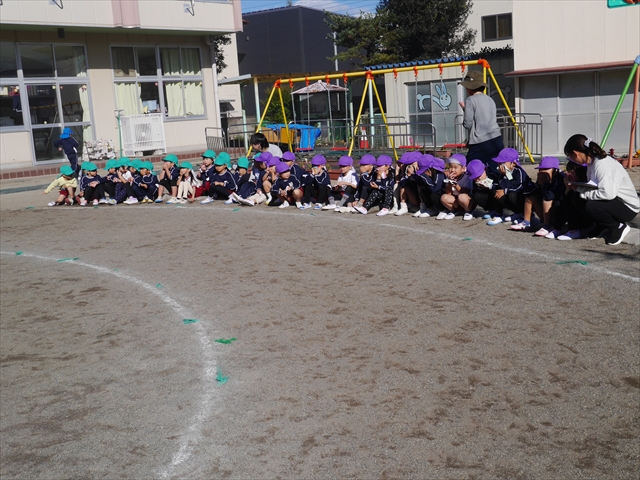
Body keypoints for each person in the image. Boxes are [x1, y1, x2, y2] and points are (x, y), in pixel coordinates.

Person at [562, 134, 639, 245]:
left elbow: (607, 194)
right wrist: (577, 187)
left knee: (591, 205)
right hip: (615, 201)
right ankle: (601, 226)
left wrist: (582, 192)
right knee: (577, 198)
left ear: (575, 153)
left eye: (570, 157)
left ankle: (617, 227)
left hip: (627, 206)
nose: (572, 160)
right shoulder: (592, 164)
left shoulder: (602, 164)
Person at [459, 71, 504, 173]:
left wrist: (465, 109)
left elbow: (468, 124)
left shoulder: (470, 100)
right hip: (496, 138)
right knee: (494, 170)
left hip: (480, 141)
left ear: (469, 88)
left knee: (470, 169)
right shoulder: (490, 99)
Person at [510, 156, 565, 234]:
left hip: (559, 213)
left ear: (555, 170)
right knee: (530, 197)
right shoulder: (542, 178)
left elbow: (551, 196)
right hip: (547, 213)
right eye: (540, 169)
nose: (542, 171)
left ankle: (547, 226)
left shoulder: (561, 179)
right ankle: (526, 222)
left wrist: (547, 185)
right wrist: (538, 185)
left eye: (546, 169)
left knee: (547, 198)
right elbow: (528, 192)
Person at [487, 148, 534, 225]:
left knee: (512, 195)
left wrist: (505, 190)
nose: (500, 165)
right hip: (511, 194)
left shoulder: (519, 171)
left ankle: (527, 215)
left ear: (513, 164)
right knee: (497, 192)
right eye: (499, 163)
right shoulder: (502, 174)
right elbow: (503, 186)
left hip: (522, 197)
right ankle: (500, 214)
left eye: (503, 163)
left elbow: (518, 187)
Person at [440, 154, 475, 221]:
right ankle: (454, 211)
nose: (452, 170)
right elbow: (448, 193)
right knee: (444, 197)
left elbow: (466, 192)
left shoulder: (467, 177)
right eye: (450, 167)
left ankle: (468, 211)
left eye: (455, 167)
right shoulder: (449, 177)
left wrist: (456, 186)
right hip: (456, 201)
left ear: (463, 169)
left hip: (467, 201)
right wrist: (449, 184)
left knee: (462, 197)